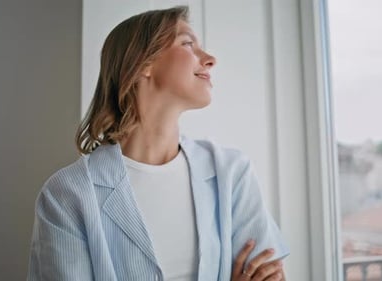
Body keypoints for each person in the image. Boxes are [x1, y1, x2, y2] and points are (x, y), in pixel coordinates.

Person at [27, 6, 289, 281]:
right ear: (142, 64)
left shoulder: (232, 173)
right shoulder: (67, 195)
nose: (210, 59)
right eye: (188, 43)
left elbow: (268, 274)